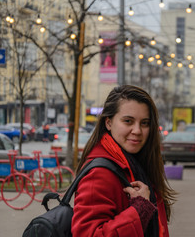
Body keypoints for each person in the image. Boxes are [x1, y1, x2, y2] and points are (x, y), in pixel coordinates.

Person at [72, 85, 176, 237]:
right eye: (128, 121)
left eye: (144, 123)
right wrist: (139, 210)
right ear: (108, 123)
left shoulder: (136, 164)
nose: (137, 130)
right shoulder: (100, 173)